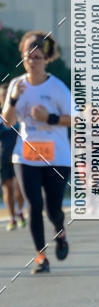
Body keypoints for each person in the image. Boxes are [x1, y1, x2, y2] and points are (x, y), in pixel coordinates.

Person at [1, 32, 71, 273]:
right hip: (26, 155)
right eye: (28, 57)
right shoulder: (16, 85)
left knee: (52, 209)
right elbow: (7, 122)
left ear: (46, 59)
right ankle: (41, 257)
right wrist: (12, 100)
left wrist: (48, 118)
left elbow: (74, 119)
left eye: (37, 57)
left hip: (57, 157)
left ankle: (60, 232)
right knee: (34, 204)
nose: (32, 61)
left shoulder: (57, 87)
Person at [0, 83, 27, 231]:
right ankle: (12, 218)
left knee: (18, 188)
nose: (4, 98)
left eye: (7, 95)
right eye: (2, 96)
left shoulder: (18, 112)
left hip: (20, 156)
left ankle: (20, 211)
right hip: (3, 157)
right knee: (8, 189)